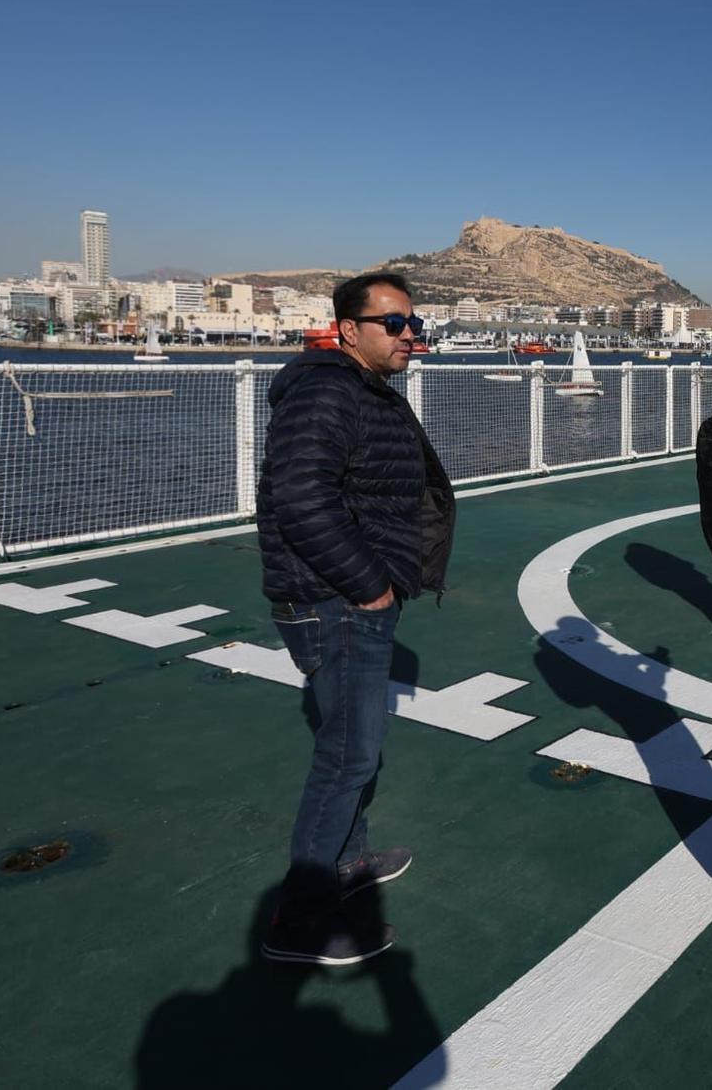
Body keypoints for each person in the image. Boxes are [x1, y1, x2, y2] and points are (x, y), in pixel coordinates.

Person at [255, 272, 456, 965]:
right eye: (394, 323)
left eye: (414, 322)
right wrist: (370, 585)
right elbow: (301, 497)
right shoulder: (326, 390)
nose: (411, 335)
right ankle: (298, 923)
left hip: (352, 598)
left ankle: (348, 859)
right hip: (337, 602)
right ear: (348, 330)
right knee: (347, 756)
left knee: (350, 743)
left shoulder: (361, 388)